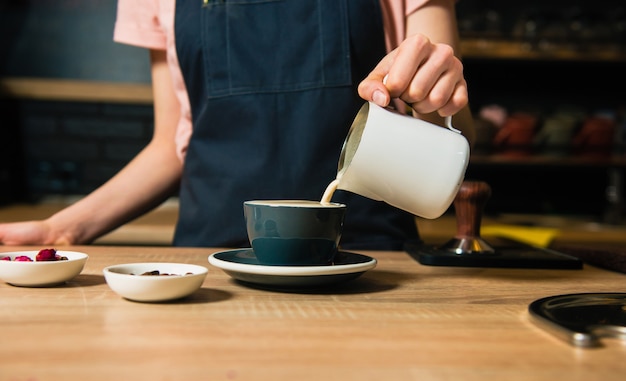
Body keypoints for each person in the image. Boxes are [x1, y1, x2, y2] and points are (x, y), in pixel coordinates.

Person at [0, 0, 474, 250]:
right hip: (211, 264)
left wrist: (436, 91)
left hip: (369, 264)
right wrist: (63, 231)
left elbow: (449, 128)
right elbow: (171, 144)